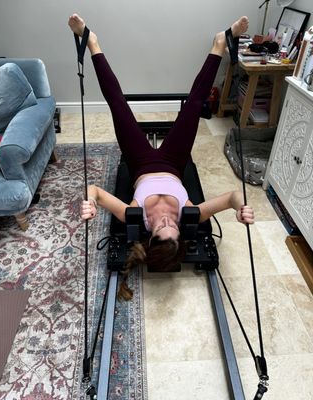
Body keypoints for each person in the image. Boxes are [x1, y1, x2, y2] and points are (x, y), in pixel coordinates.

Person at [68, 14, 254, 300]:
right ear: (180, 234)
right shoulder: (188, 213)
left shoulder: (136, 215)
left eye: (161, 229)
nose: (168, 222)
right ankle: (220, 42)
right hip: (173, 161)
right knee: (193, 105)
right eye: (174, 229)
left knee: (118, 105)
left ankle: (92, 41)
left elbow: (95, 192)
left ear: (150, 236)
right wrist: (242, 208)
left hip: (140, 161)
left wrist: (90, 202)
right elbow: (231, 198)